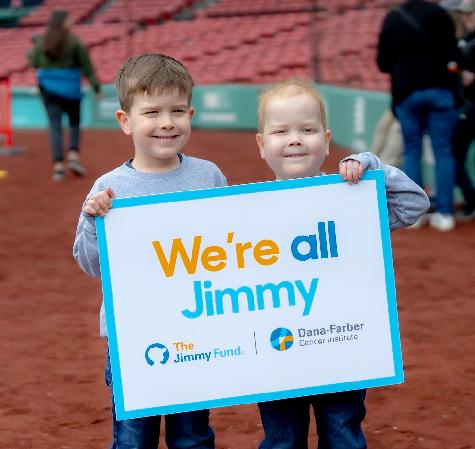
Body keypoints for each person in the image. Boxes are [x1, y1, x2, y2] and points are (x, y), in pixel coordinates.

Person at [254, 79, 430, 449]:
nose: (295, 139)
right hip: (277, 355)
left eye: (307, 129)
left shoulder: (350, 198)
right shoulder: (244, 213)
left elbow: (414, 204)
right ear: (262, 145)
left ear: (327, 139)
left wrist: (372, 166)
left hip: (343, 349)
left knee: (343, 435)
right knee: (282, 440)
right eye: (281, 131)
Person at [73, 53, 226, 449]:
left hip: (197, 332)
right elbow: (92, 265)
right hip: (132, 336)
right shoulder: (108, 188)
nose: (166, 122)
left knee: (191, 436)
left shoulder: (209, 176)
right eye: (152, 112)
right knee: (133, 440)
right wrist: (93, 220)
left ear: (190, 113)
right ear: (125, 121)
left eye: (177, 110)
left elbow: (231, 250)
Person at [377, 0, 462, 231]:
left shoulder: (394, 17)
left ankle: (414, 215)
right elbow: (454, 55)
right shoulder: (439, 14)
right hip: (440, 92)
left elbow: (383, 63)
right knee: (443, 150)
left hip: (407, 94)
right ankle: (445, 214)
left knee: (411, 150)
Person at [28, 10, 101, 181]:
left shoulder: (42, 41)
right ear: (63, 22)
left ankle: (58, 167)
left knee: (55, 126)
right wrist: (96, 88)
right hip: (70, 88)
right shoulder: (74, 42)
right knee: (74, 122)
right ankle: (73, 156)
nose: (71, 22)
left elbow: (33, 61)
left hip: (48, 88)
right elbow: (87, 66)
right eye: (69, 20)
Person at [443, 0, 475, 220]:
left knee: (453, 154)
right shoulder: (465, 40)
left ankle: (471, 201)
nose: (466, 18)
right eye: (465, 15)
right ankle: (471, 200)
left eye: (470, 14)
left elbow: (467, 77)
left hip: (471, 106)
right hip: (467, 105)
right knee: (454, 155)